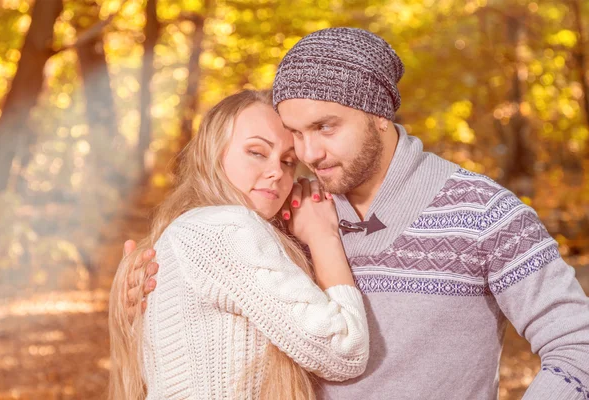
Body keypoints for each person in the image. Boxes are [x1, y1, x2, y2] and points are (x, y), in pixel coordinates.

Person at [129, 28, 589, 399]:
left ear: (379, 115)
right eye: (296, 134)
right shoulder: (285, 207)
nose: (309, 153)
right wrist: (136, 290)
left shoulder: (484, 212)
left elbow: (578, 346)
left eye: (325, 127)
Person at [108, 90, 370, 400]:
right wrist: (322, 235)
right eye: (257, 152)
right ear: (213, 153)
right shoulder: (224, 228)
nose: (277, 172)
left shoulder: (186, 229)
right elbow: (346, 352)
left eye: (288, 161)